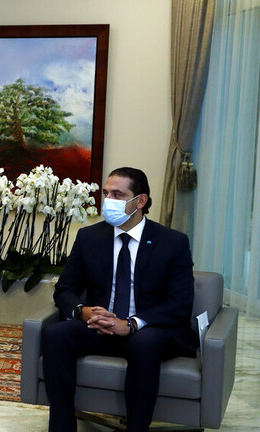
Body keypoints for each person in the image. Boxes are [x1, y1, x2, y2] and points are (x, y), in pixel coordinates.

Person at [43, 167, 198, 432]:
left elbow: (180, 304)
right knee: (56, 334)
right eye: (106, 193)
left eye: (117, 194)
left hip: (150, 330)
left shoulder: (172, 242)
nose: (108, 200)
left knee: (144, 343)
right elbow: (65, 289)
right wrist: (83, 311)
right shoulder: (89, 237)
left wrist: (132, 323)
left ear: (140, 201)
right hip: (102, 326)